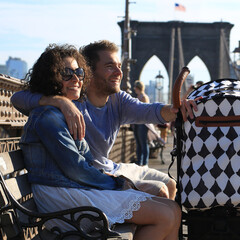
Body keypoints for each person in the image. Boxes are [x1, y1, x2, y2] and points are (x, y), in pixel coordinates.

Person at [20, 43, 181, 239]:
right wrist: (119, 184)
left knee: (173, 209)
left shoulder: (68, 110)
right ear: (51, 76)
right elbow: (76, 168)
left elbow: (149, 111)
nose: (76, 78)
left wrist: (177, 109)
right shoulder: (50, 115)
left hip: (79, 186)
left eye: (78, 72)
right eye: (66, 73)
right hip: (64, 196)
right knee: (166, 214)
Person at [11, 40, 197, 200]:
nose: (119, 72)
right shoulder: (74, 99)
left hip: (111, 167)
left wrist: (175, 109)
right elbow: (17, 98)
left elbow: (150, 111)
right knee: (160, 193)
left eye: (119, 66)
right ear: (90, 71)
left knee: (171, 184)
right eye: (110, 67)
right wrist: (57, 100)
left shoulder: (118, 100)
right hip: (92, 177)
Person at [132, 80, 150, 166]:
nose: (134, 88)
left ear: (138, 87)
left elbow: (145, 111)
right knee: (138, 143)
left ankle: (145, 163)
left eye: (135, 87)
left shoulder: (144, 97)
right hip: (136, 122)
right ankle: (139, 162)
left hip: (142, 123)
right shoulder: (138, 97)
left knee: (143, 143)